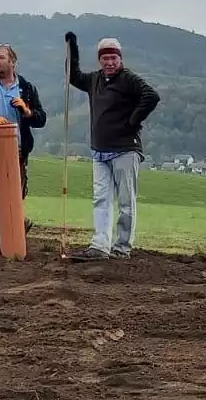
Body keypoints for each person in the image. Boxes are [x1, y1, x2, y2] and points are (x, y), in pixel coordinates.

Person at [65, 32, 160, 260]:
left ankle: (122, 248)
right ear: (99, 60)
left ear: (120, 58)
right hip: (100, 150)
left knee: (126, 201)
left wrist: (133, 121)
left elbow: (151, 96)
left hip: (125, 149)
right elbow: (73, 76)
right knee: (101, 199)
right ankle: (100, 246)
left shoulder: (128, 79)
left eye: (113, 58)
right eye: (105, 58)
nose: (109, 62)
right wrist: (72, 47)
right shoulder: (94, 80)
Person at [0, 44, 47, 251]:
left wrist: (27, 110)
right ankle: (18, 222)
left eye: (1, 57)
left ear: (13, 62)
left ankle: (0, 246)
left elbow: (41, 118)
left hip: (17, 151)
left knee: (13, 196)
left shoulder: (27, 88)